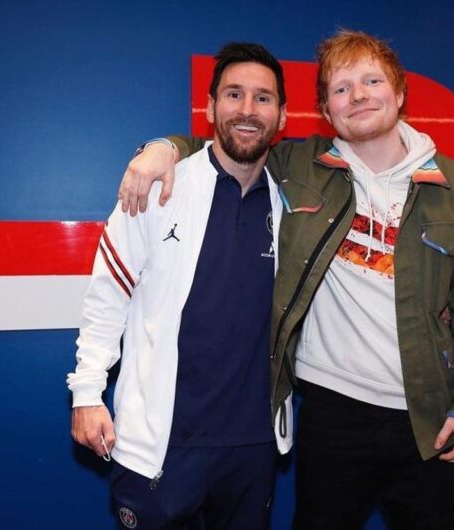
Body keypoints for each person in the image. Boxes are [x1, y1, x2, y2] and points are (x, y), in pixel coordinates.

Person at [120, 30, 454, 530]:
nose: (358, 95)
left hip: (425, 416)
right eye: (342, 88)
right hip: (330, 413)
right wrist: (162, 148)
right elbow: (227, 145)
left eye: (372, 81)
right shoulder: (299, 165)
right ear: (325, 109)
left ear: (400, 92)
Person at [67, 42, 292, 530]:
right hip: (161, 445)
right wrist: (86, 392)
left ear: (282, 115)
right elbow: (108, 295)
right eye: (233, 94)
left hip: (253, 447)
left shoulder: (294, 203)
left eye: (263, 98)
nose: (247, 110)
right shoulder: (157, 187)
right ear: (210, 107)